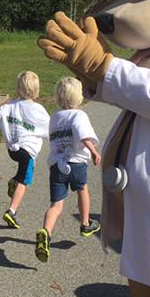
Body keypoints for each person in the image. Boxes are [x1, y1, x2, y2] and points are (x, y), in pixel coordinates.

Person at [35, 76, 101, 262]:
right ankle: (86, 223)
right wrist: (94, 152)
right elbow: (83, 135)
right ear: (78, 97)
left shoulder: (55, 117)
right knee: (82, 189)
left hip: (57, 165)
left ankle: (46, 231)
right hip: (76, 162)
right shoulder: (78, 115)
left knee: (56, 205)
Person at [0, 70, 49, 228]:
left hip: (12, 150)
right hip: (27, 153)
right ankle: (11, 211)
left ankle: (14, 181)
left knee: (21, 174)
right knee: (24, 181)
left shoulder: (8, 106)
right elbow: (51, 128)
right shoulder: (38, 109)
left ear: (18, 89)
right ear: (37, 90)